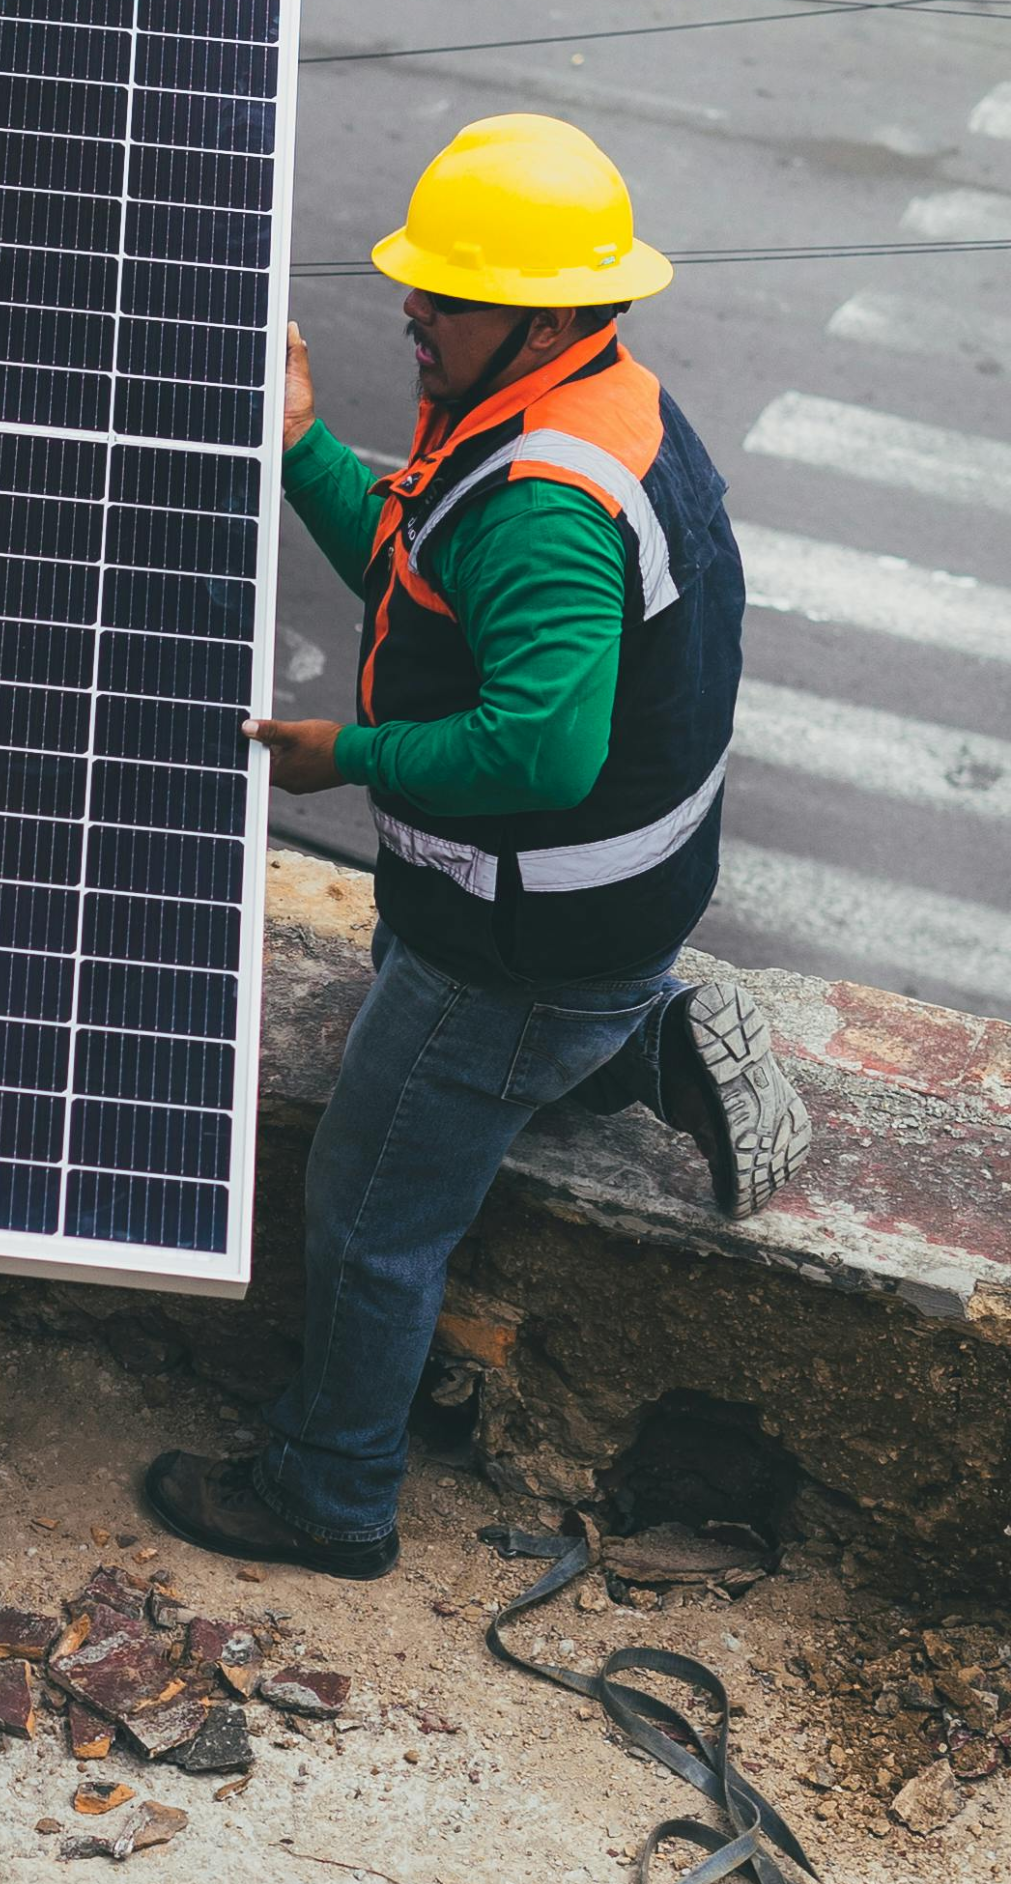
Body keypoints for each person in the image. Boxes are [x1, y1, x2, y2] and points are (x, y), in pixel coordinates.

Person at [145, 115, 808, 1583]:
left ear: (550, 313)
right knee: (452, 1031)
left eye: (449, 294)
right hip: (592, 921)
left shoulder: (547, 506)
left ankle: (330, 1493)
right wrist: (306, 446)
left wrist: (349, 755)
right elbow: (422, 576)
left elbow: (538, 753)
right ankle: (652, 1042)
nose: (413, 311)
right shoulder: (600, 407)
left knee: (372, 1216)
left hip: (517, 947)